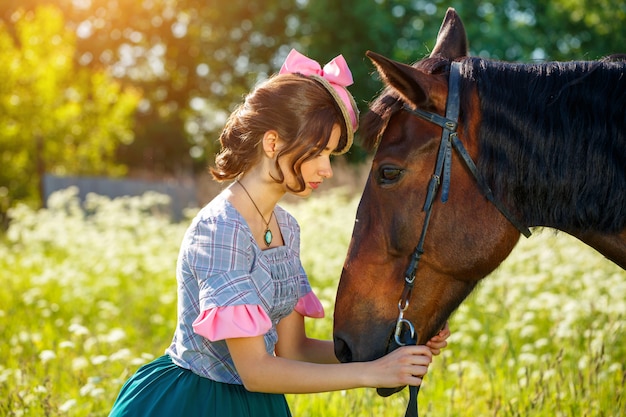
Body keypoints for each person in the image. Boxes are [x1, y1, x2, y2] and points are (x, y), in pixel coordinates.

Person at [108, 49, 451, 417]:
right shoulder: (220, 229)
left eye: (331, 155)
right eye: (318, 152)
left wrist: (393, 352)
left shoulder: (286, 226)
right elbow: (256, 371)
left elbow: (295, 350)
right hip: (196, 402)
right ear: (272, 143)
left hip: (260, 405)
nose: (327, 170)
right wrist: (370, 373)